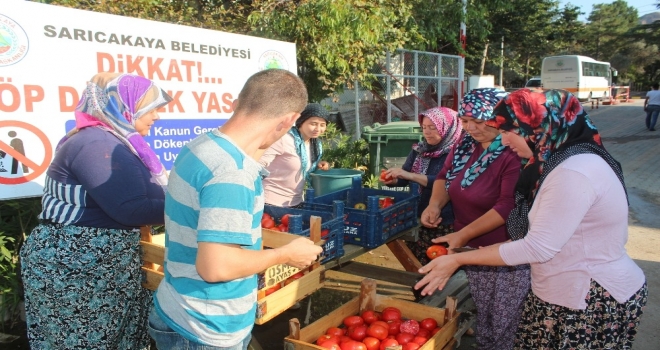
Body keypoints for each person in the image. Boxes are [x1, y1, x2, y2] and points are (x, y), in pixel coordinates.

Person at [415, 89, 648, 349]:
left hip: (586, 296)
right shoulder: (559, 162)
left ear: (538, 129)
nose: (503, 142)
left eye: (508, 132)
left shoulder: (573, 172)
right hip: (566, 291)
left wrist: (457, 257)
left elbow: (537, 246)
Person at [149, 69, 323, 349]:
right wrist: (286, 254)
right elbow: (215, 267)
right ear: (290, 120)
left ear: (239, 102)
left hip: (178, 306)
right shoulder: (233, 173)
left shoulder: (201, 145)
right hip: (205, 327)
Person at [20, 73, 173, 349]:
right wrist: (192, 208)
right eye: (152, 108)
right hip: (75, 268)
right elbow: (131, 209)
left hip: (101, 266)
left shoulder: (115, 142)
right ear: (123, 105)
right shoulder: (96, 144)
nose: (158, 116)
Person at [420, 88, 529, 350]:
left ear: (500, 120)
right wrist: (435, 205)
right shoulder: (464, 144)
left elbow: (506, 206)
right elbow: (444, 178)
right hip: (468, 246)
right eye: (466, 121)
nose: (471, 128)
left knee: (502, 320)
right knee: (485, 313)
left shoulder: (511, 151)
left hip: (503, 252)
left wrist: (463, 235)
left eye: (480, 122)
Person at [380, 106, 462, 265]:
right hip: (417, 215)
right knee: (416, 262)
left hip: (444, 220)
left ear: (449, 127)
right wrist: (393, 180)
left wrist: (411, 175)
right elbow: (404, 178)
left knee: (440, 262)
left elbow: (448, 183)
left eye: (433, 127)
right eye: (424, 127)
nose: (427, 132)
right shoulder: (420, 150)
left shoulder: (458, 154)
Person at [259, 103, 330, 207]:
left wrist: (319, 165)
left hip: (296, 202)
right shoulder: (284, 139)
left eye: (322, 125)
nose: (318, 129)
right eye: (313, 123)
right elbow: (259, 164)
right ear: (301, 122)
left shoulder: (315, 145)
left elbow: (302, 165)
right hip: (270, 202)